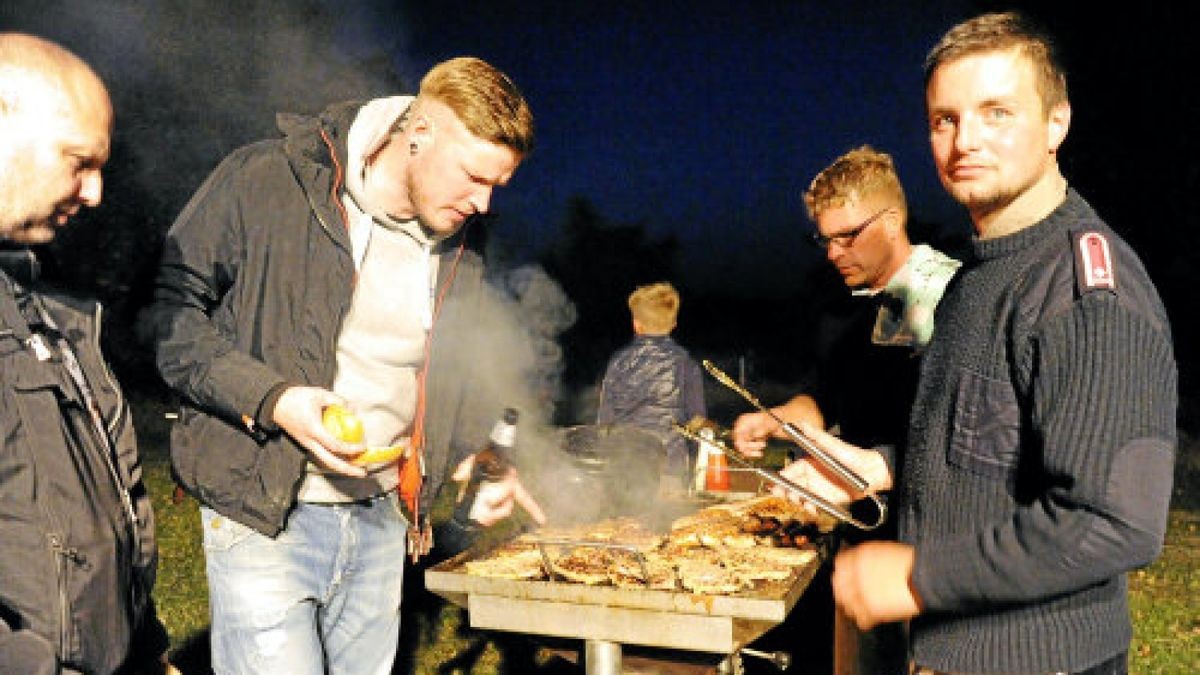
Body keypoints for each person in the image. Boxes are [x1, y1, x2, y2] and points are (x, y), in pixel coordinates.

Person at [766, 12, 1177, 674]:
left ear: (1056, 122)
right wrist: (877, 467)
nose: (966, 141)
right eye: (945, 119)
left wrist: (920, 574)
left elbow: (1112, 521)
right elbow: (983, 442)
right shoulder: (977, 277)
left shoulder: (1085, 287)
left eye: (997, 112)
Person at [141, 56, 544, 674]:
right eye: (472, 177)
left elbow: (448, 359)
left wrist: (477, 452)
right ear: (418, 134)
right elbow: (167, 314)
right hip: (264, 507)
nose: (484, 203)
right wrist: (273, 399)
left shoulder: (461, 233)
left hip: (383, 515)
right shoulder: (267, 179)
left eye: (497, 186)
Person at [731, 145, 958, 675]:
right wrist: (779, 418)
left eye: (847, 236)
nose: (834, 253)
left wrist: (872, 471)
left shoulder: (951, 299)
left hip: (930, 553)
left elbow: (962, 439)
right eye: (824, 239)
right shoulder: (859, 310)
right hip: (863, 538)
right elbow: (826, 399)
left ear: (893, 220)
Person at [0, 32, 174, 674]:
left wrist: (149, 649)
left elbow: (118, 502)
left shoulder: (52, 314)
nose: (96, 192)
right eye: (79, 160)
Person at [597, 281, 705, 494]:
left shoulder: (618, 361)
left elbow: (604, 421)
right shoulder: (686, 363)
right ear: (673, 323)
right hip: (670, 467)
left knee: (620, 524)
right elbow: (697, 420)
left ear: (636, 324)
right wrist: (690, 457)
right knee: (668, 524)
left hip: (626, 466)